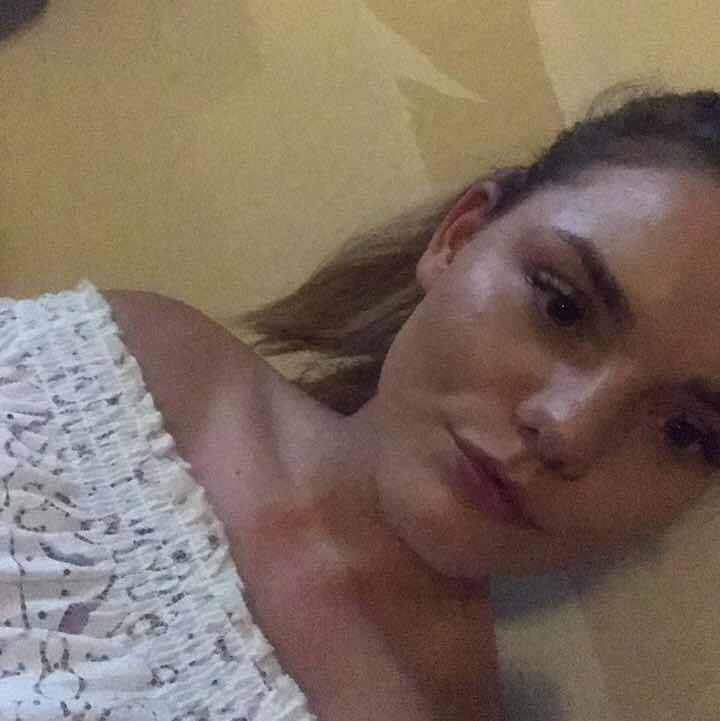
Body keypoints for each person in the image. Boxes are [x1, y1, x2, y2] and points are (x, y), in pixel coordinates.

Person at [4, 87, 720, 721]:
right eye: (562, 306)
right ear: (460, 237)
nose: (568, 428)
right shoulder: (113, 368)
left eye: (685, 431)